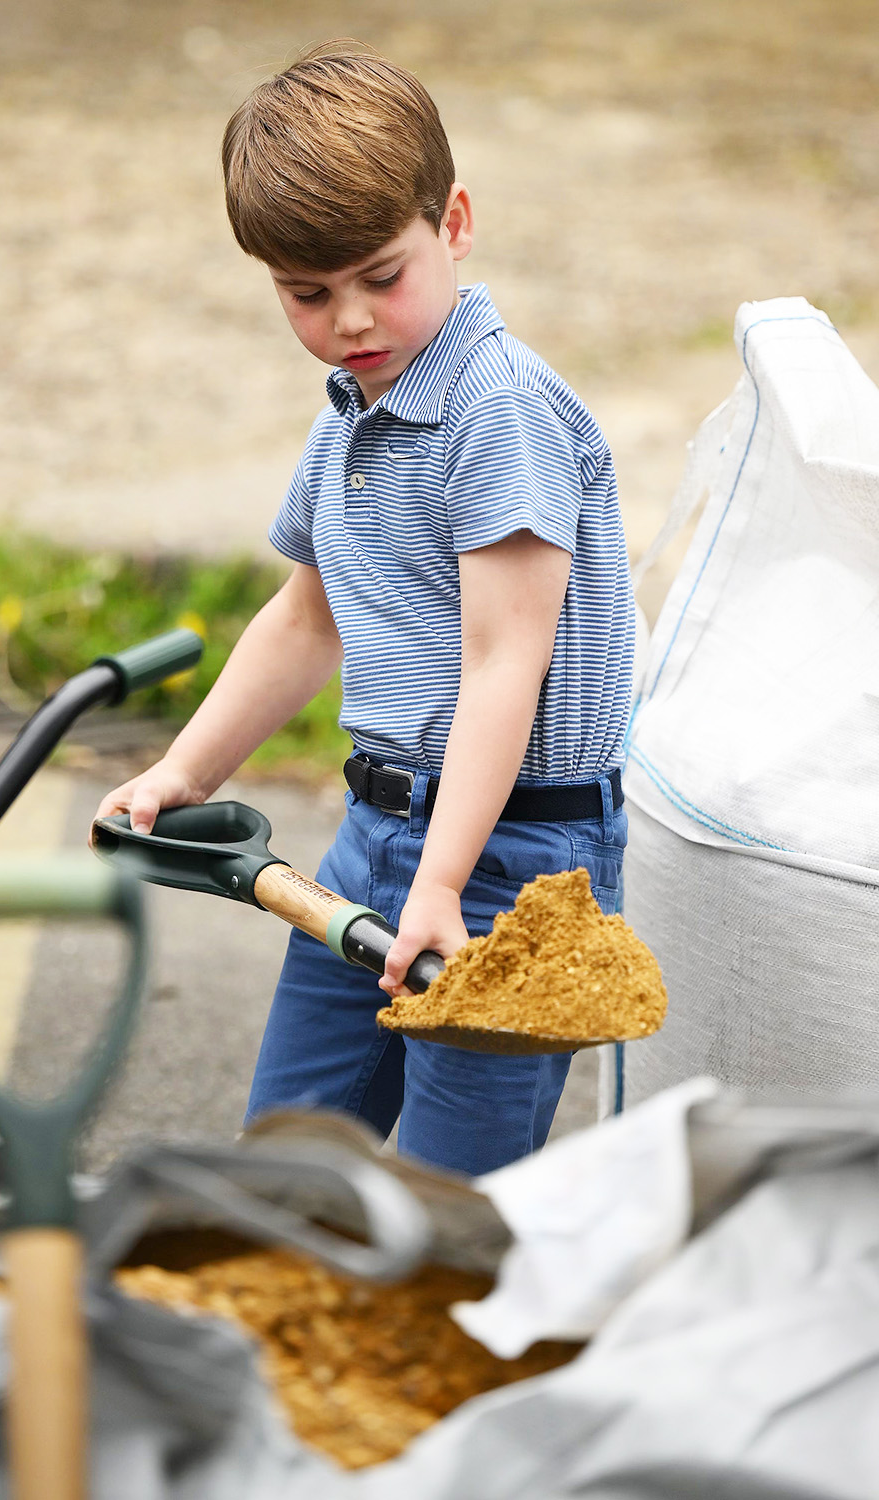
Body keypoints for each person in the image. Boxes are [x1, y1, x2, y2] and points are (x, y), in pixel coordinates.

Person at [94, 40, 634, 1177]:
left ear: (455, 224)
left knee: (450, 1205)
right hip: (374, 839)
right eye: (307, 293)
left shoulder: (501, 415)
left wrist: (441, 884)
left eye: (380, 275)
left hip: (509, 862)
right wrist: (184, 774)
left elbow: (503, 667)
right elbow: (307, 618)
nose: (349, 320)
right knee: (286, 1166)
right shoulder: (352, 406)